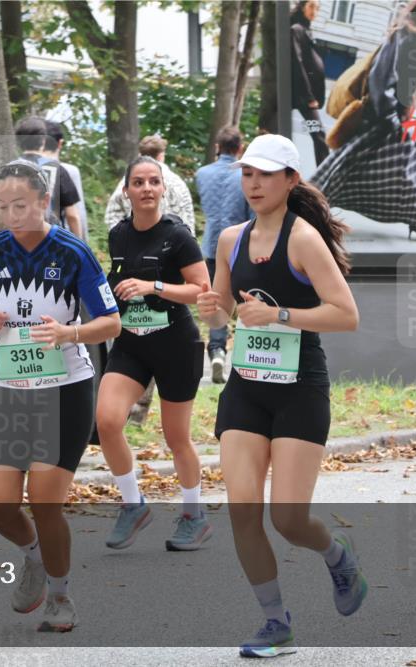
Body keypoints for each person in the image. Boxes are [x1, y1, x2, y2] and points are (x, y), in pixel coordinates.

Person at [197, 134, 363, 658]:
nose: (254, 184)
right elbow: (223, 308)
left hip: (299, 388)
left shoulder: (304, 240)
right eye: (248, 174)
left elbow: (346, 314)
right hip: (248, 387)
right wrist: (211, 309)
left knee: (288, 519)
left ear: (291, 181)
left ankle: (337, 556)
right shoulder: (230, 239)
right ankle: (275, 623)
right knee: (242, 511)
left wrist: (280, 315)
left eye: (266, 175)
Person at [0, 160, 120, 632]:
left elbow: (111, 322)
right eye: (2, 206)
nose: (11, 215)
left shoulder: (72, 252)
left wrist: (70, 333)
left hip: (64, 389)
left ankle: (61, 596)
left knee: (46, 501)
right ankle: (33, 559)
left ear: (44, 202)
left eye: (20, 205)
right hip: (10, 390)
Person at [96, 156, 212, 552]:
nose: (146, 188)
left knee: (176, 436)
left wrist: (154, 287)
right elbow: (115, 282)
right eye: (138, 182)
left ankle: (194, 515)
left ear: (164, 189)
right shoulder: (118, 235)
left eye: (153, 182)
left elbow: (201, 290)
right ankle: (133, 504)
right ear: (126, 191)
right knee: (107, 421)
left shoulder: (178, 236)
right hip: (132, 342)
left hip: (176, 342)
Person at [311, 0, 416, 243]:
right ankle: (308, 204)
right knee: (351, 164)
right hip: (383, 119)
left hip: (390, 119)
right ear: (414, 11)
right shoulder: (401, 38)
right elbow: (380, 80)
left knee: (356, 165)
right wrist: (391, 116)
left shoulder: (413, 39)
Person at [196, 126, 252, 383]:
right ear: (239, 148)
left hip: (211, 245)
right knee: (247, 300)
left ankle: (217, 350)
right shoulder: (244, 175)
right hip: (242, 243)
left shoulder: (202, 174)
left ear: (218, 147)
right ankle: (248, 351)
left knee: (217, 299)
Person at [104, 135, 195, 232]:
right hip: (175, 242)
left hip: (136, 241)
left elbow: (112, 214)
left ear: (140, 155)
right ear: (161, 155)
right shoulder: (177, 182)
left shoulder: (128, 181)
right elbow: (188, 217)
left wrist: (121, 239)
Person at [14, 117, 83, 237]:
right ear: (43, 141)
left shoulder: (8, 170)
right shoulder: (57, 170)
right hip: (51, 240)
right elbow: (72, 215)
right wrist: (80, 245)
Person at [291, 1, 329, 165]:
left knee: (318, 134)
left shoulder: (306, 30)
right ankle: (325, 174)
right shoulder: (296, 30)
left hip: (301, 96)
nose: (315, 11)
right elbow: (297, 64)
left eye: (317, 8)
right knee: (319, 134)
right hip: (301, 96)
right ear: (302, 7)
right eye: (311, 6)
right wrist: (308, 96)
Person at [45, 121, 89, 241]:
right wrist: (82, 246)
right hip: (60, 240)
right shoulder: (69, 171)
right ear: (60, 143)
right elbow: (76, 214)